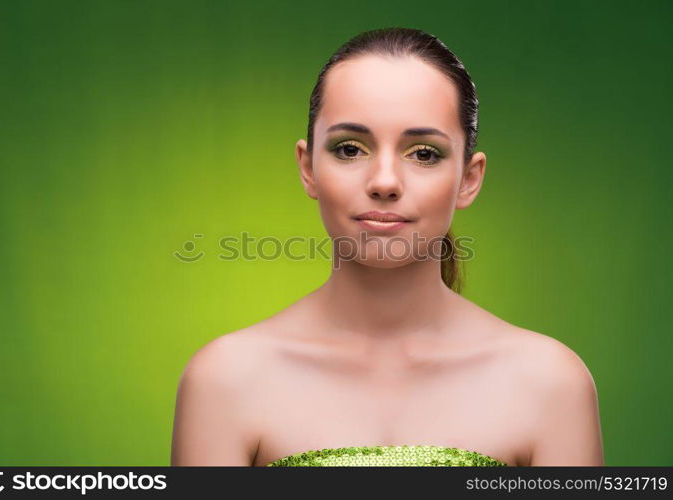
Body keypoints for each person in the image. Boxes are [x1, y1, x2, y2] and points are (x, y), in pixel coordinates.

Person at [171, 27, 604, 466]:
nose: (383, 182)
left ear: (469, 179)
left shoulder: (551, 384)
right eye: (350, 148)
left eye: (424, 154)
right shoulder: (225, 380)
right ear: (308, 168)